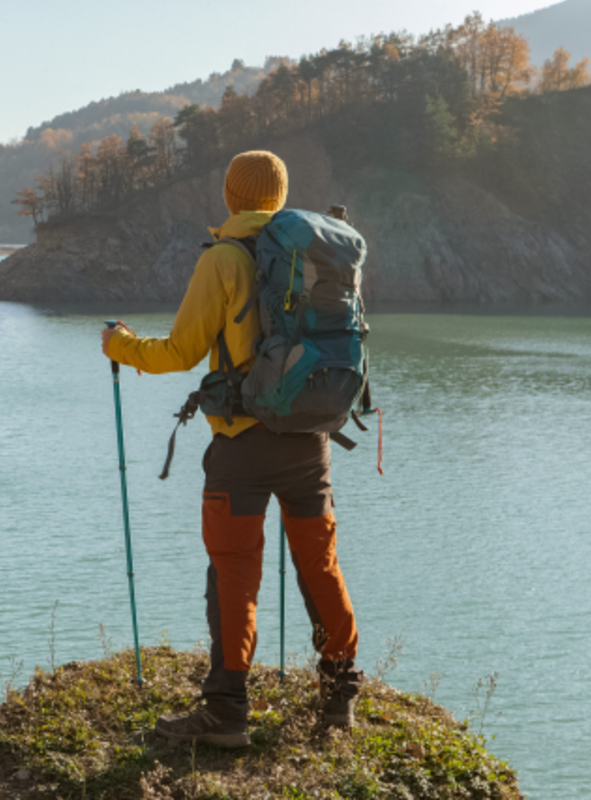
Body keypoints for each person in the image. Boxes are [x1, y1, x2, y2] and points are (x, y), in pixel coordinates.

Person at [100, 150, 363, 748]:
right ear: (280, 195)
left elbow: (179, 353)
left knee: (233, 575)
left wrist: (121, 345)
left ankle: (226, 714)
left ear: (229, 196)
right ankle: (339, 693)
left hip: (241, 447)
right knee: (319, 567)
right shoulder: (312, 252)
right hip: (309, 441)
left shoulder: (223, 258)